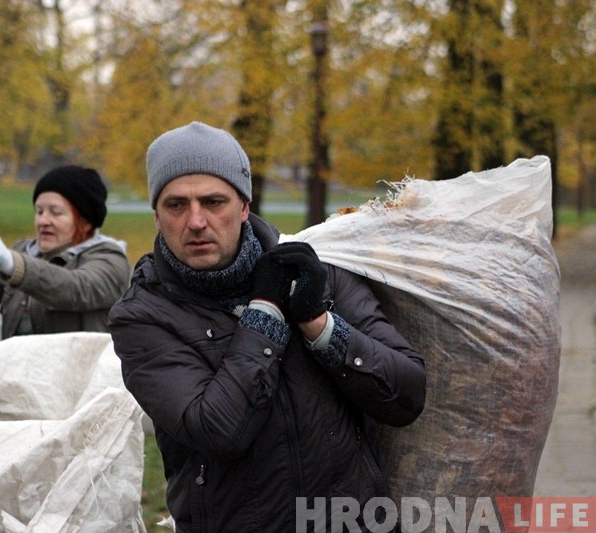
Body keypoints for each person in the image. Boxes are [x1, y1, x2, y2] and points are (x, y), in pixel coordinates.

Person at [108, 122, 426, 532]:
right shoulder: (142, 315)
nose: (196, 221)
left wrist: (318, 324)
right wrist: (266, 310)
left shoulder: (318, 271)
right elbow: (218, 430)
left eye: (213, 202)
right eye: (176, 205)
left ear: (244, 207)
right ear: (157, 216)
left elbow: (406, 396)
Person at [0, 165, 132, 338]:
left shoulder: (111, 260)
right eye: (39, 212)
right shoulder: (24, 252)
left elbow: (74, 288)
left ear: (86, 222)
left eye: (56, 213)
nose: (43, 221)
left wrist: (14, 265)